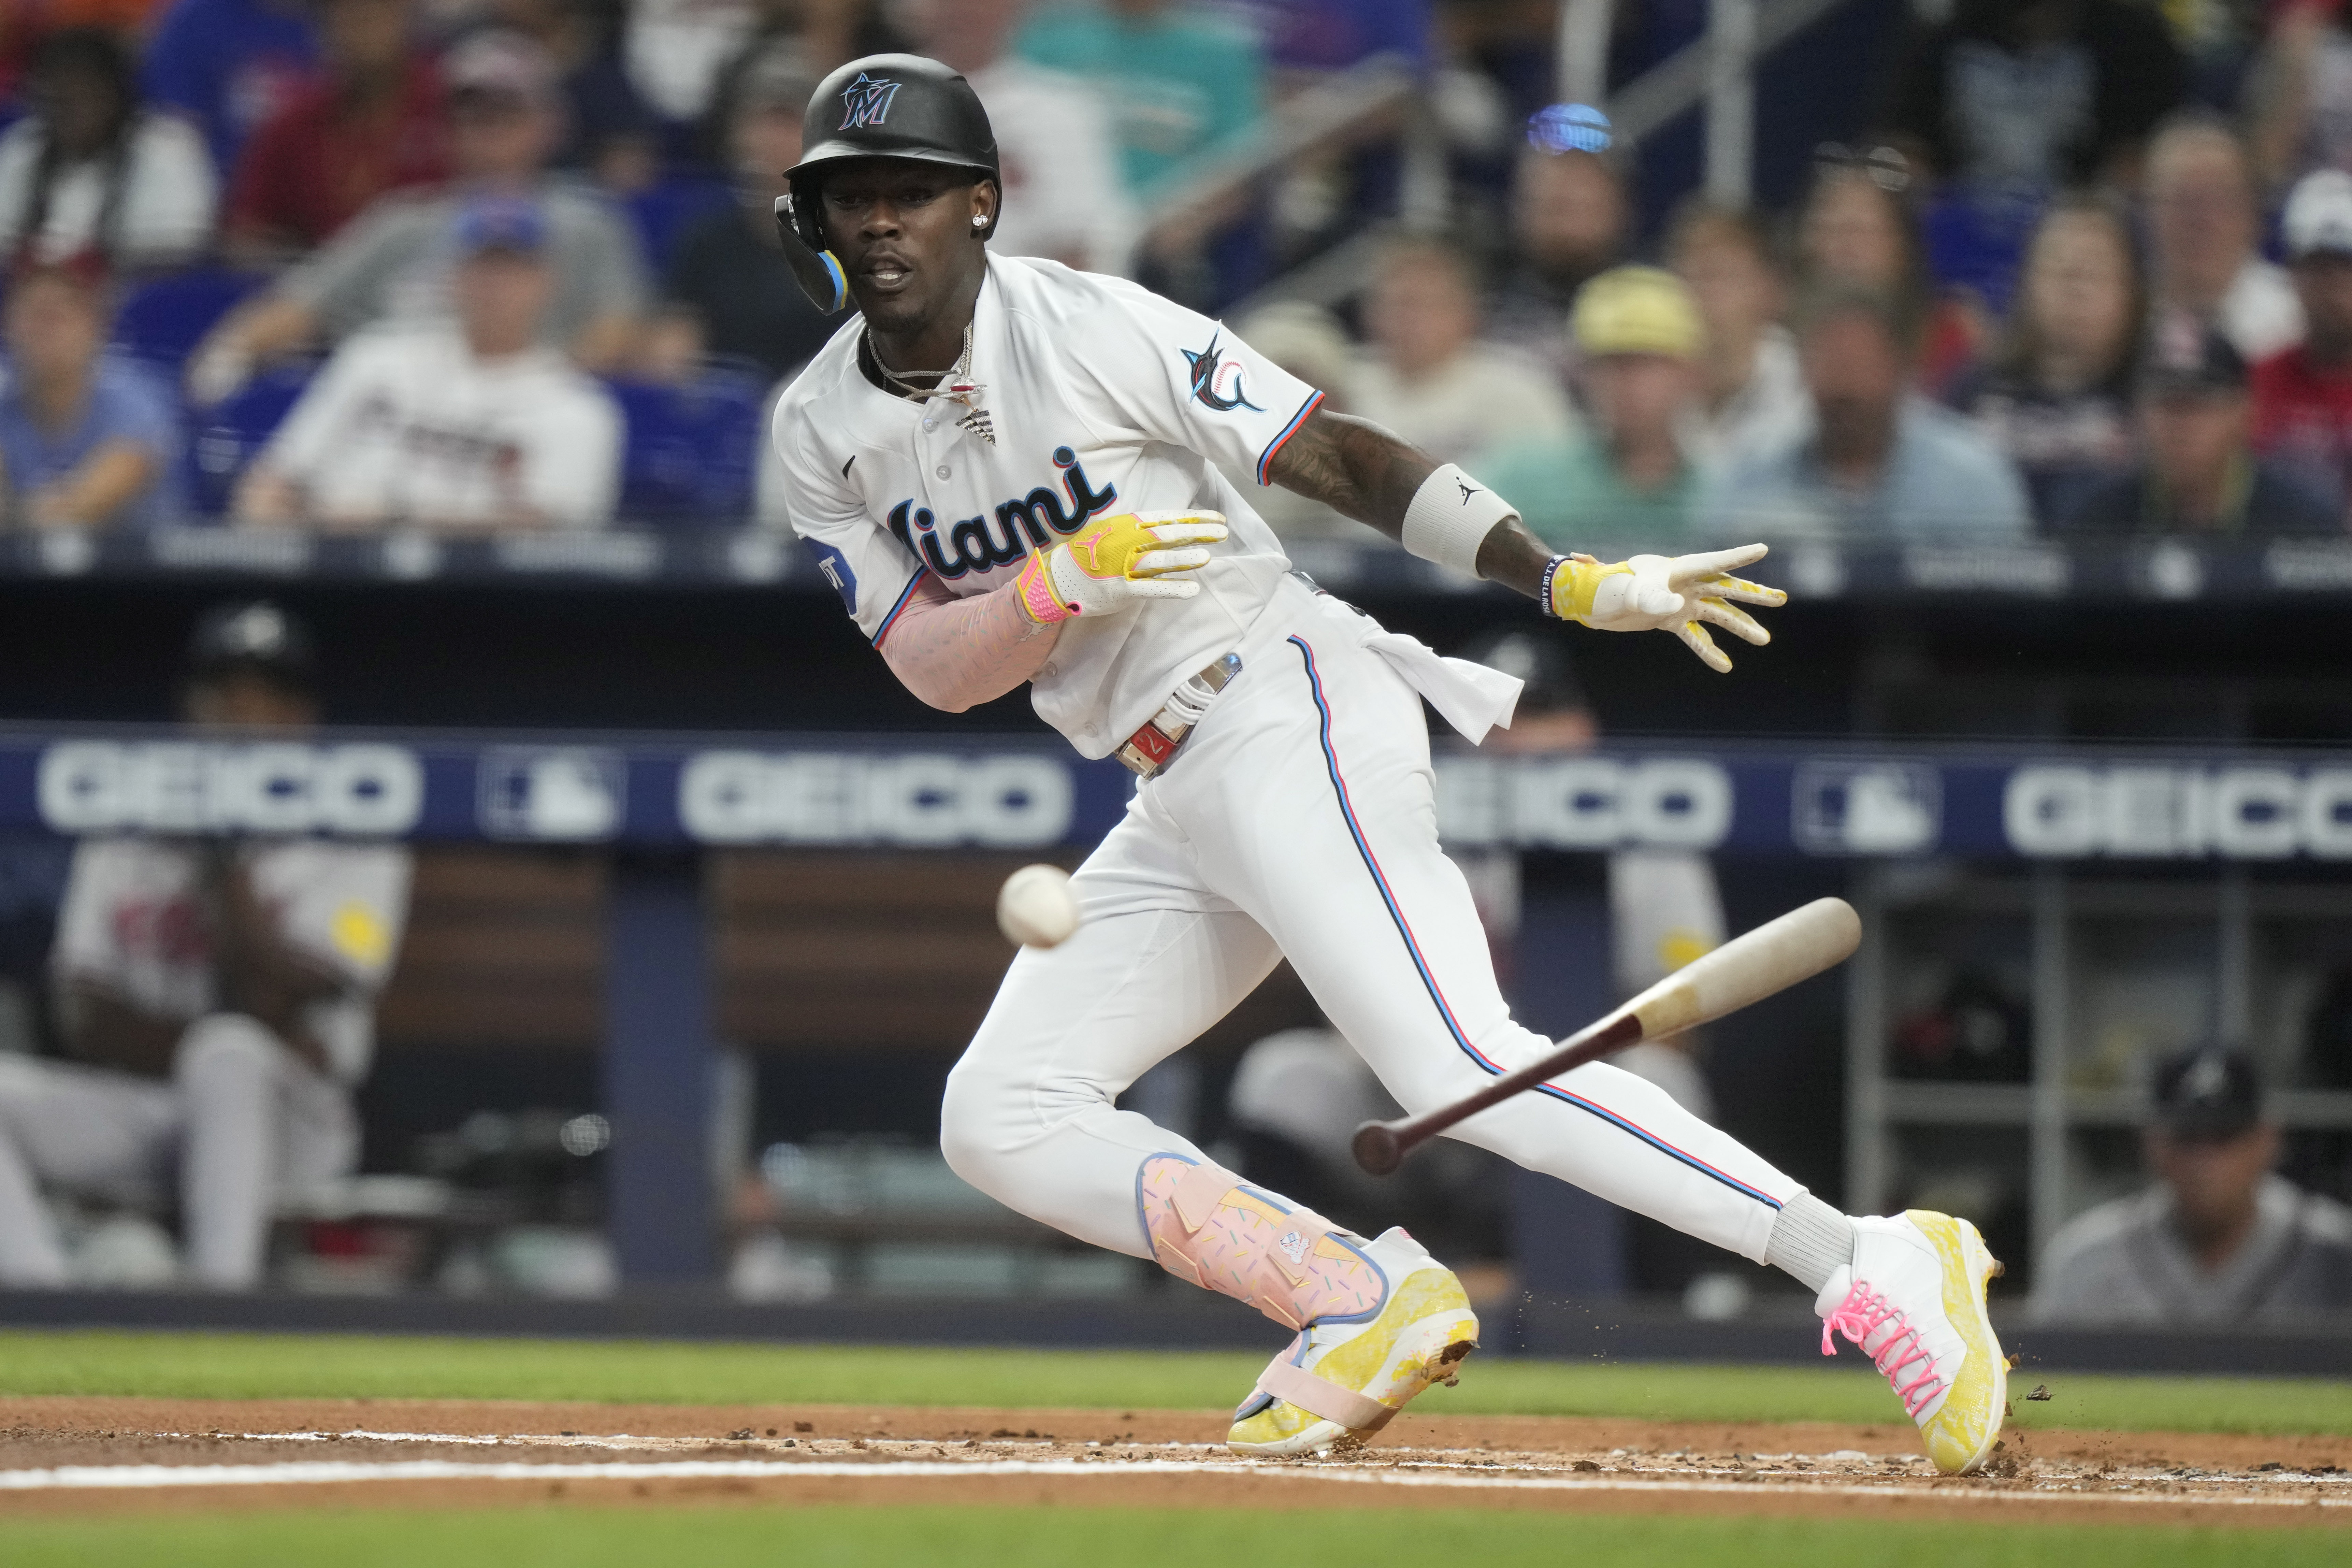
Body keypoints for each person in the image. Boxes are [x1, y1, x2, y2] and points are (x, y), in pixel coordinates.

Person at [769, 52, 2006, 1474]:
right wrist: (1060, 582)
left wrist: (1558, 580)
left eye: (909, 194)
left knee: (1456, 1054)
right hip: (1171, 785)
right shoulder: (820, 429)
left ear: (979, 205)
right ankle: (1354, 1296)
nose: (878, 221)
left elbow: (1332, 452)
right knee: (999, 1114)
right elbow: (935, 664)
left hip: (1278, 696)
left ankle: (1867, 1256)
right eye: (848, 194)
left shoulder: (1091, 324)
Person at [0, 603, 412, 1290]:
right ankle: (40, 1300)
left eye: (264, 697)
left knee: (230, 1055)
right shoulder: (127, 825)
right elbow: (83, 1013)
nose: (238, 716)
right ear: (188, 706)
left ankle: (220, 1302)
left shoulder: (357, 835)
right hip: (146, 1109)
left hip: (291, 1118)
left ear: (301, 717)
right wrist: (219, 1037)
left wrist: (223, 853)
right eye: (222, 694)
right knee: (218, 1046)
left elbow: (281, 994)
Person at [187, 28, 651, 402]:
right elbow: (298, 307)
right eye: (471, 117)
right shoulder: (402, 222)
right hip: (386, 417)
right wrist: (226, 358)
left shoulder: (588, 225)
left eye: (506, 115)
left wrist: (520, 398)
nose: (486, 132)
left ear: (549, 126)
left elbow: (613, 335)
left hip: (520, 419)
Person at [234, 195, 622, 532]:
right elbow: (270, 485)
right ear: (453, 274)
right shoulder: (375, 355)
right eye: (481, 266)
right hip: (337, 574)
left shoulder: (578, 408)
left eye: (511, 269)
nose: (493, 285)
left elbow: (549, 534)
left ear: (544, 281)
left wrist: (395, 525)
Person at [2030, 1045, 2352, 1326]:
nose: (2205, 1161)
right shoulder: (2085, 1258)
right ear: (2152, 1143)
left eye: (2224, 1137)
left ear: (2267, 1140)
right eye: (2188, 1137)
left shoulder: (2334, 1251)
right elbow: (2041, 1390)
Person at [1704, 284, 2032, 539]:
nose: (1847, 386)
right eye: (1833, 363)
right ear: (1804, 370)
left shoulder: (1971, 481)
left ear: (1901, 369)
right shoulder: (1752, 474)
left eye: (1863, 364)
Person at [902, 0, 1136, 275]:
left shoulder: (1063, 111)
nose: (962, 9)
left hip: (1026, 300)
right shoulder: (878, 100)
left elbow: (1087, 242)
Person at [1948, 195, 2140, 525]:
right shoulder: (1973, 393)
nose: (2073, 287)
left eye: (2093, 270)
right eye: (2056, 267)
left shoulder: (2155, 399)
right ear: (2026, 283)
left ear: (2131, 291)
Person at [1479, 265, 1704, 547]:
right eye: (1605, 364)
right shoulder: (1524, 477)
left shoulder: (1725, 491)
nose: (1621, 383)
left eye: (1642, 363)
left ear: (1689, 373)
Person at [2061, 314, 2342, 535]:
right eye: (2166, 404)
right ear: (2138, 414)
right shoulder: (2097, 521)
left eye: (2199, 406)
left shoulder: (2303, 523)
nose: (2181, 426)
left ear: (2243, 415)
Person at [662, 43, 845, 380]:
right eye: (762, 122)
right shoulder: (707, 239)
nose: (771, 139)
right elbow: (677, 345)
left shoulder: (855, 241)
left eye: (788, 123)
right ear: (737, 135)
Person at [223, 0, 448, 262]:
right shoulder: (290, 128)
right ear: (323, 27)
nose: (364, 22)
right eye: (347, 10)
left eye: (380, 9)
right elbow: (247, 234)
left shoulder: (453, 108)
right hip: (315, 289)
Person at [1879, 0, 2185, 192]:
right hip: (1957, 242)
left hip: (2093, 243)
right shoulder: (1939, 34)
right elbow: (1901, 158)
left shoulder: (2136, 41)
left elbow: (2151, 164)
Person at [0, 26, 218, 271]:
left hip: (130, 295)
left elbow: (177, 252)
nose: (77, 115)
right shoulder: (21, 148)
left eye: (90, 98)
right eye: (62, 101)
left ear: (119, 96)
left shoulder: (169, 148)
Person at [1348, 239, 1574, 470]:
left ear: (1467, 312)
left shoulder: (1519, 387)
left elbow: (1557, 481)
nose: (1409, 320)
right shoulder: (1343, 383)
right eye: (1396, 304)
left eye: (1426, 305)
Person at [1015, 0, 1267, 201]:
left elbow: (1237, 165)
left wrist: (1179, 227)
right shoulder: (1047, 39)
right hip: (1059, 221)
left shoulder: (1221, 54)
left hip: (1166, 228)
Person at [0, 260, 181, 531]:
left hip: (137, 569)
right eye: (33, 316)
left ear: (95, 325)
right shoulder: (5, 396)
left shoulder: (136, 395)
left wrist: (18, 513)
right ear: (9, 326)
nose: (46, 332)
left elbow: (87, 506)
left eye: (59, 317)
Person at [2144, 113, 2303, 364]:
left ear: (2253, 216)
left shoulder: (2296, 321)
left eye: (2218, 201)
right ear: (2149, 211)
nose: (2200, 221)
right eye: (2182, 201)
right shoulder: (2121, 319)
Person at [1665, 200, 1804, 467]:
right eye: (1687, 276)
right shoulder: (1654, 387)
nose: (1698, 294)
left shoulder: (1805, 391)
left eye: (1717, 276)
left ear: (1772, 291)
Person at [2252, 168, 2352, 509]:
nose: (2334, 290)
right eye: (2320, 271)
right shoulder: (2258, 382)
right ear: (2293, 276)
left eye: (2346, 269)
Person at [1488, 143, 1629, 375]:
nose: (1570, 229)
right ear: (1521, 210)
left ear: (1618, 211)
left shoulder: (1654, 300)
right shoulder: (1481, 299)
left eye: (1585, 209)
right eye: (1557, 207)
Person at [139, 0, 319, 177]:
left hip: (316, 187)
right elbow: (173, 123)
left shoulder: (333, 19)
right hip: (213, 184)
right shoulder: (197, 18)